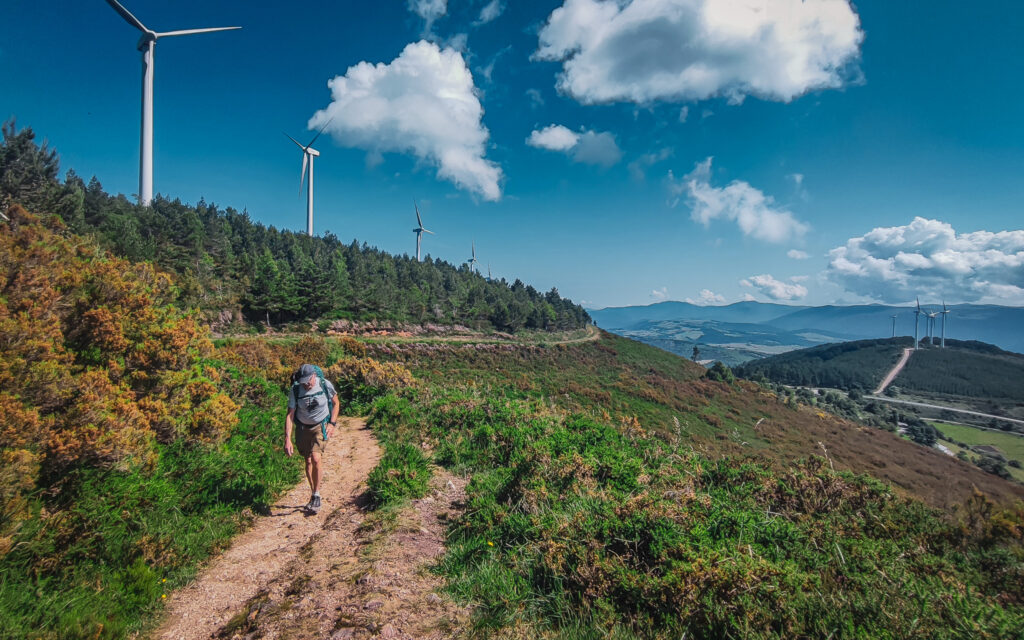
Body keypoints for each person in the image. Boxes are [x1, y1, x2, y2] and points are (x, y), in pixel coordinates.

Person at [284, 364, 340, 513]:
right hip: (302, 427)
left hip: (320, 426)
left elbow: (336, 403)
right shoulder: (295, 390)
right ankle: (314, 492)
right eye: (303, 381)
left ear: (314, 375)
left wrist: (332, 423)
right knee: (307, 460)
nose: (306, 384)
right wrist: (287, 438)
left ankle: (316, 495)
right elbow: (290, 415)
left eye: (308, 380)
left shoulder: (324, 384)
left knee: (316, 458)